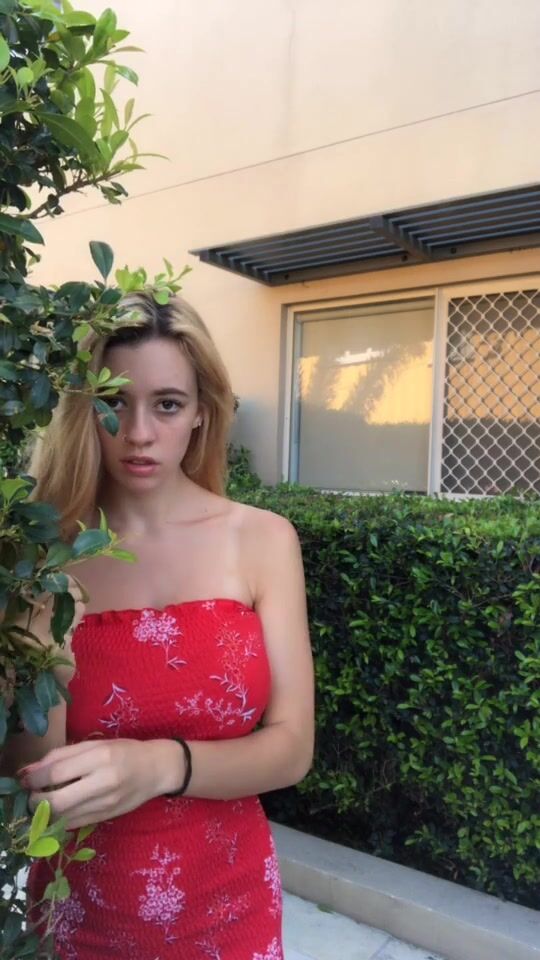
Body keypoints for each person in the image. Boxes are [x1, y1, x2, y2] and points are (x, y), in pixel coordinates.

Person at [14, 292, 315, 960]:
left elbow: (293, 748)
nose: (139, 432)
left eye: (168, 404)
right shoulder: (40, 560)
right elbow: (29, 783)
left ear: (202, 411)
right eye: (114, 403)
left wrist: (159, 765)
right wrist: (43, 654)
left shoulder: (263, 541)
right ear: (83, 409)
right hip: (77, 917)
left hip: (230, 912)